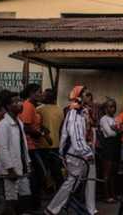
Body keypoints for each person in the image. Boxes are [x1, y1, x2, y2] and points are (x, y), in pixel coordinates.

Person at [46, 86, 96, 215]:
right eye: (86, 94)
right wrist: (87, 152)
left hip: (84, 150)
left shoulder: (83, 111)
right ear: (79, 97)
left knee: (87, 180)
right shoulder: (75, 112)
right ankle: (52, 209)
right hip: (77, 152)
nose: (89, 97)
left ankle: (91, 209)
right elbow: (75, 136)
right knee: (72, 181)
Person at [0, 90, 32, 215]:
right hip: (11, 169)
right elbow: (2, 149)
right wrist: (10, 169)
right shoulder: (3, 125)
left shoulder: (19, 123)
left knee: (25, 196)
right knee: (11, 199)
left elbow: (23, 146)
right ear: (7, 106)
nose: (20, 104)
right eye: (15, 102)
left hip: (22, 167)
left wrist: (28, 162)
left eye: (20, 101)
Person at [19, 83, 46, 210]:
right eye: (39, 92)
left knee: (37, 176)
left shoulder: (33, 106)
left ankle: (34, 203)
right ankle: (32, 205)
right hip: (30, 147)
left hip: (34, 146)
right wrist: (41, 133)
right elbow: (26, 126)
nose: (41, 94)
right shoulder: (28, 106)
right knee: (38, 175)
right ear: (31, 93)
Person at [36, 89, 65, 192]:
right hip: (56, 144)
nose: (41, 96)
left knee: (41, 171)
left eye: (43, 95)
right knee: (56, 172)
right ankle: (60, 192)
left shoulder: (39, 109)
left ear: (47, 97)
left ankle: (44, 191)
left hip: (42, 145)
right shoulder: (60, 110)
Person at [99, 98, 120, 204]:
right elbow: (110, 133)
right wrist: (117, 130)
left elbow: (116, 131)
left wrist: (116, 129)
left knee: (113, 173)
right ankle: (106, 195)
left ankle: (113, 194)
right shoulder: (104, 119)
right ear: (106, 108)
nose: (113, 109)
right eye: (110, 106)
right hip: (108, 147)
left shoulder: (115, 119)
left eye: (114, 106)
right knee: (107, 173)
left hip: (115, 146)